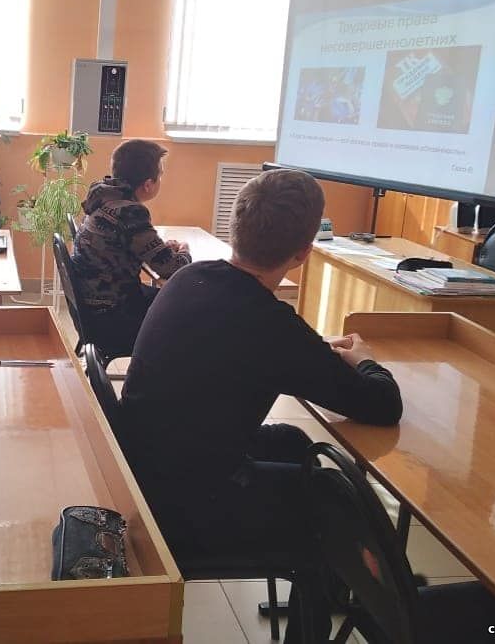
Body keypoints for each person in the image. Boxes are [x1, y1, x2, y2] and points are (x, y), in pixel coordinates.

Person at [118, 168, 402, 643]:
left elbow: (245, 349)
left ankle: (329, 586)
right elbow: (381, 405)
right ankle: (327, 583)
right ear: (304, 252)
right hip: (183, 505)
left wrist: (313, 354)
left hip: (144, 467)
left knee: (293, 441)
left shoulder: (189, 277)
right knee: (331, 503)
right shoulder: (270, 323)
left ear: (235, 227)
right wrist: (367, 361)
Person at [71, 139, 191, 356]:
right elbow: (171, 269)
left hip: (94, 309)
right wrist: (184, 250)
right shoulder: (130, 212)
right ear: (148, 184)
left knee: (174, 301)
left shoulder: (103, 198)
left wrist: (161, 249)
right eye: (161, 175)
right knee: (189, 311)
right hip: (114, 318)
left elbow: (132, 245)